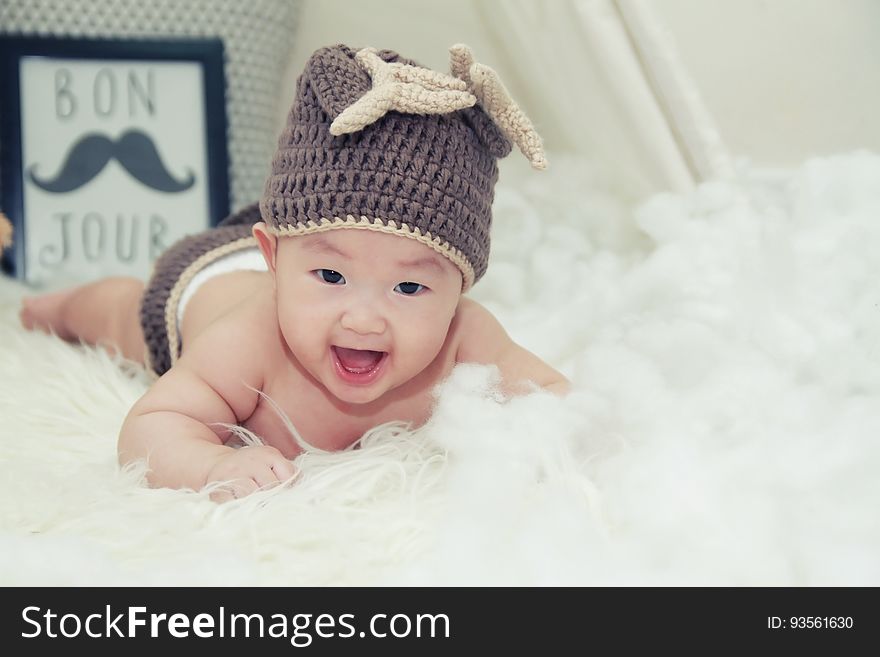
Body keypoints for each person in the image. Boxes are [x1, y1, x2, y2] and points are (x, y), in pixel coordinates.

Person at [19, 44, 569, 501]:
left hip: (291, 249)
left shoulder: (462, 338)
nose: (363, 318)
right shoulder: (249, 343)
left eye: (408, 287)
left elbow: (553, 398)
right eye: (332, 278)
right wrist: (210, 465)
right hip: (204, 286)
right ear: (275, 260)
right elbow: (151, 425)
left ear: (459, 291)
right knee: (118, 315)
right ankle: (58, 305)